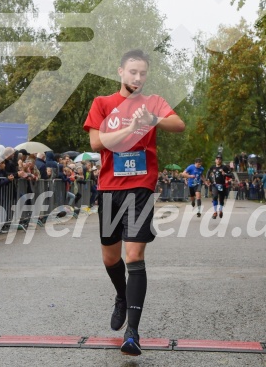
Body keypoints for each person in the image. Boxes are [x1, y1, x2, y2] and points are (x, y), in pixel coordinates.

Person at [84, 49, 185, 356]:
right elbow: (96, 142)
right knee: (110, 258)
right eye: (133, 72)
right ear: (121, 72)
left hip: (140, 186)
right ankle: (121, 295)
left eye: (142, 73)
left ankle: (133, 332)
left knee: (134, 255)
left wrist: (153, 119)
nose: (138, 78)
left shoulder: (153, 102)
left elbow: (178, 125)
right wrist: (130, 129)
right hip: (109, 188)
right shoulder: (103, 103)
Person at [206, 154, 232, 219]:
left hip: (222, 185)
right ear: (215, 160)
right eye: (217, 159)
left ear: (221, 160)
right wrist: (207, 179)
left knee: (221, 199)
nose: (218, 160)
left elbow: (231, 175)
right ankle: (215, 212)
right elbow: (208, 172)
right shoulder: (213, 167)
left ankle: (220, 210)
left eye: (220, 159)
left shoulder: (224, 167)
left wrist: (225, 173)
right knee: (214, 197)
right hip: (215, 185)